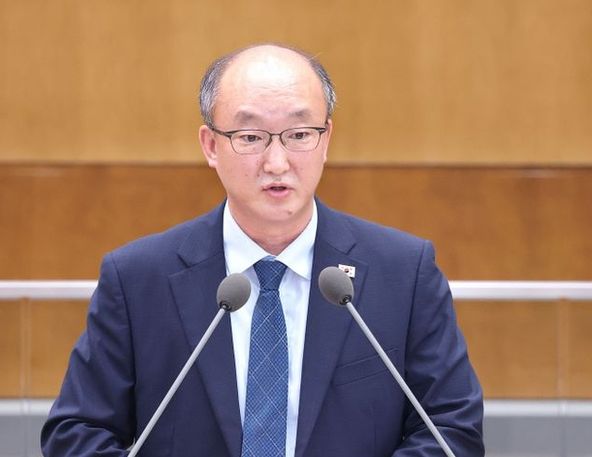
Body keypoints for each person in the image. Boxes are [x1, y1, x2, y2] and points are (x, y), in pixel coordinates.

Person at [41, 44, 484, 456]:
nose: (277, 162)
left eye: (299, 134)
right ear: (211, 146)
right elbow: (77, 432)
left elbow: (450, 428)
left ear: (326, 139)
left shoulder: (403, 273)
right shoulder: (138, 279)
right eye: (251, 137)